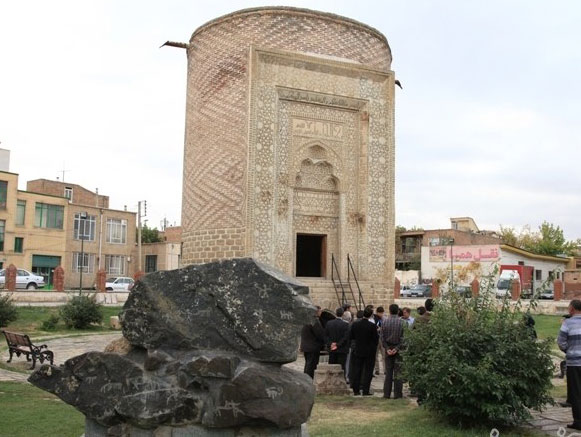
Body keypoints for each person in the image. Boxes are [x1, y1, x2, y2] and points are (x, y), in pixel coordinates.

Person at [557, 300, 581, 430]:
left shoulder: (567, 323)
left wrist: (569, 350)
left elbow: (561, 342)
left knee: (576, 392)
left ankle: (578, 421)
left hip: (574, 363)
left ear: (572, 309)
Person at [348, 306, 379, 395]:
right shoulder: (372, 326)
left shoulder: (355, 324)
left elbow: (351, 337)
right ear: (370, 316)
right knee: (368, 372)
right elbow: (376, 340)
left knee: (357, 370)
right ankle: (366, 390)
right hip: (369, 351)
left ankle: (356, 390)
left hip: (358, 350)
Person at [381, 303, 405, 399]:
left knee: (388, 372)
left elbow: (382, 337)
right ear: (398, 311)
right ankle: (398, 394)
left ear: (390, 311)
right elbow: (404, 338)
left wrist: (387, 348)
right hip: (398, 348)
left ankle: (386, 394)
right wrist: (397, 348)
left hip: (388, 347)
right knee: (398, 372)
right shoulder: (402, 323)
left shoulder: (385, 322)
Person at [300, 306, 325, 379]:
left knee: (308, 364)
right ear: (316, 312)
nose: (321, 313)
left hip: (306, 346)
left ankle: (305, 379)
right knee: (311, 366)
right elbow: (320, 334)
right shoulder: (314, 320)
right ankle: (308, 380)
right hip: (313, 347)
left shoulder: (306, 319)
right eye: (320, 311)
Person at [326, 307, 350, 375]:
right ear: (342, 314)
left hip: (332, 348)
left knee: (331, 367)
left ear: (336, 313)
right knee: (341, 368)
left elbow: (325, 336)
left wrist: (331, 344)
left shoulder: (329, 323)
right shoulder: (345, 324)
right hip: (342, 349)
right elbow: (345, 337)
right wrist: (338, 344)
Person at [373, 306, 386, 375]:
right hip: (376, 337)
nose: (381, 314)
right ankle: (377, 369)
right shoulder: (374, 319)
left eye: (382, 313)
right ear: (377, 312)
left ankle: (385, 369)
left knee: (384, 354)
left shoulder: (384, 319)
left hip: (382, 338)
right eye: (380, 313)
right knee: (376, 355)